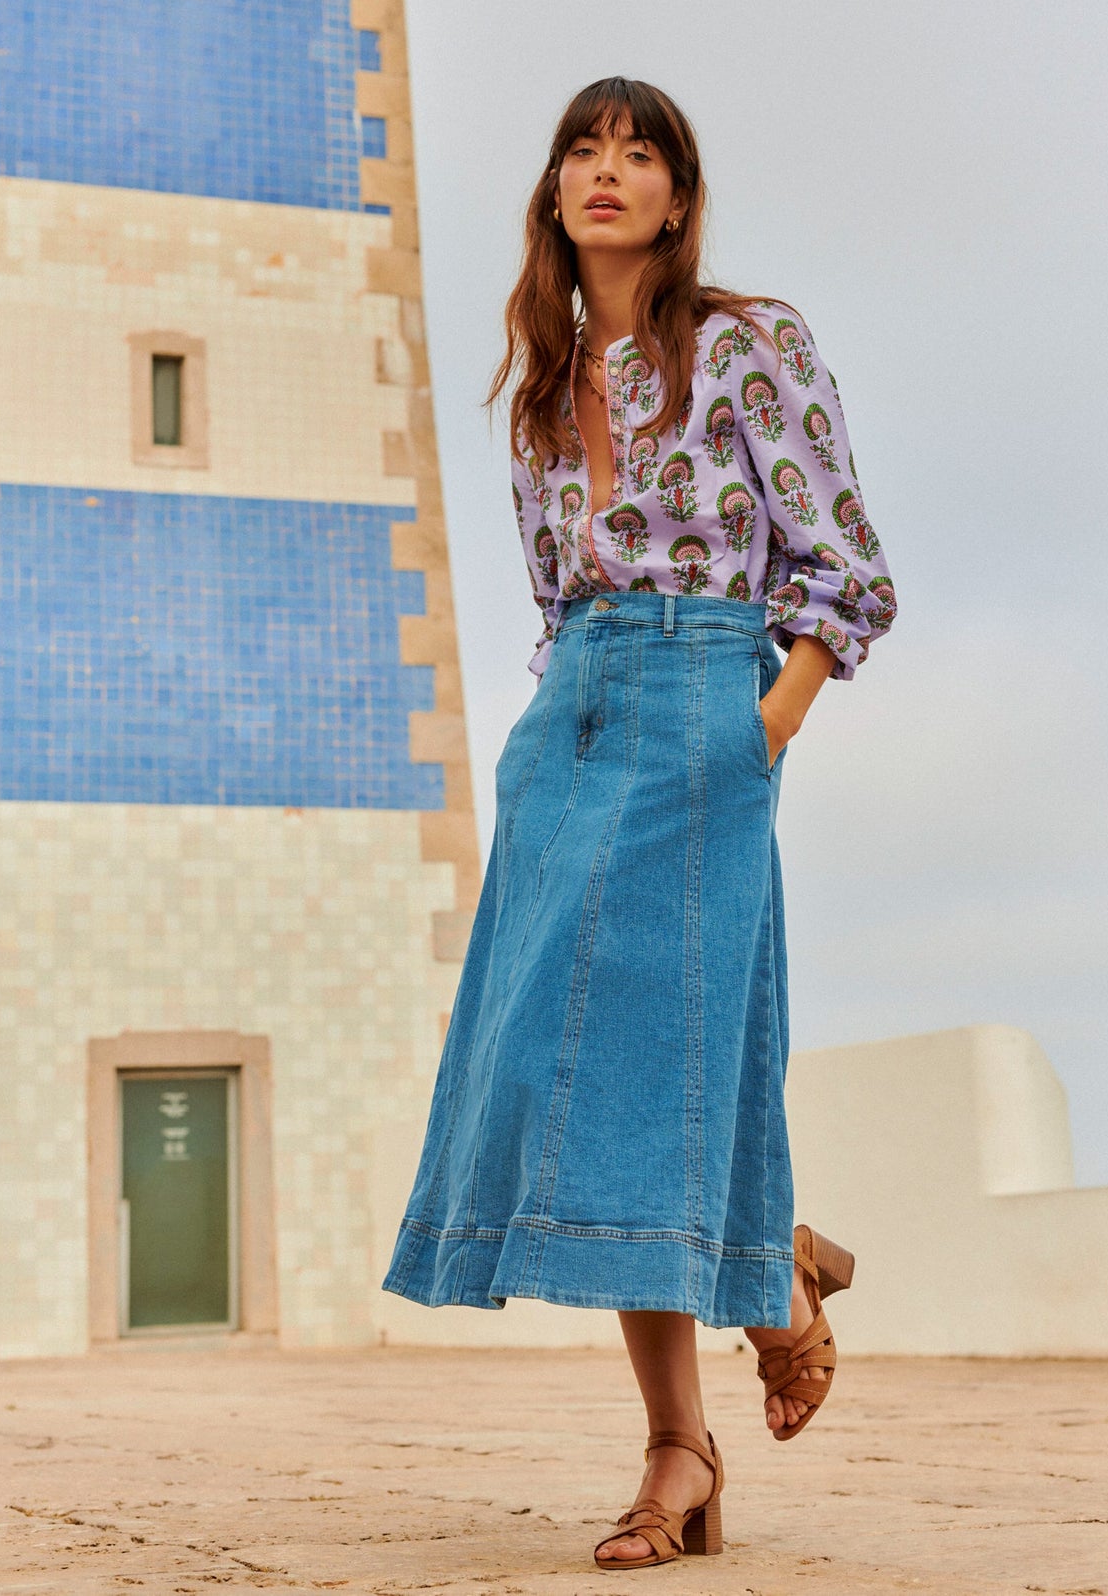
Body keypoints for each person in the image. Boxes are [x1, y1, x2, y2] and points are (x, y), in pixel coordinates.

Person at [382, 76, 896, 1570]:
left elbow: (846, 565)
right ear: (552, 193)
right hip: (572, 714)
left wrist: (765, 725)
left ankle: (684, 1439)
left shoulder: (749, 344)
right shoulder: (540, 385)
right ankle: (766, 1272)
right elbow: (553, 597)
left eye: (641, 153)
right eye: (581, 151)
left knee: (663, 1062)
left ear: (677, 196)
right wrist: (562, 726)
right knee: (551, 1065)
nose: (607, 172)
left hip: (703, 703)